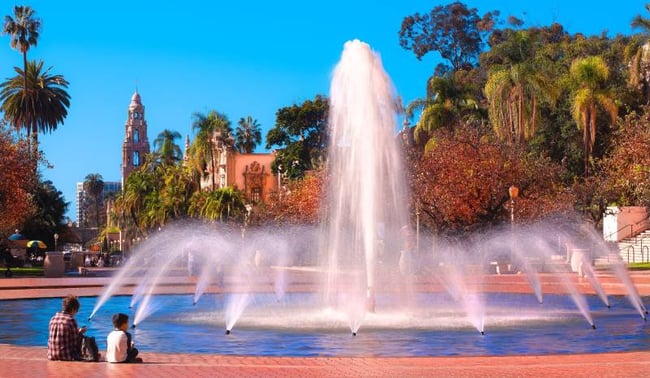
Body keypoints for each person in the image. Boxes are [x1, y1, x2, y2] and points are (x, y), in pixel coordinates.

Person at [48, 295, 87, 360]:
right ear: (73, 310)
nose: (76, 313)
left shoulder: (53, 319)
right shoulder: (71, 320)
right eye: (76, 311)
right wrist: (80, 333)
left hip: (51, 355)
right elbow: (75, 342)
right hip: (66, 356)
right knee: (86, 340)